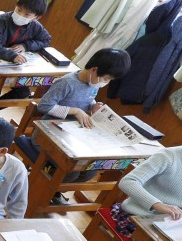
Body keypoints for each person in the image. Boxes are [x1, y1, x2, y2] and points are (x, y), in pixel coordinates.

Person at [35, 48, 132, 204]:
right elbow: (44, 106)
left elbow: (86, 100)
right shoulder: (67, 82)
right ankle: (43, 189)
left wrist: (93, 106)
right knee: (71, 172)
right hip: (47, 133)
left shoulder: (92, 82)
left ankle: (54, 189)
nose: (105, 83)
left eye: (109, 81)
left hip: (73, 134)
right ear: (94, 69)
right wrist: (75, 111)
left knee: (89, 171)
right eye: (105, 78)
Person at [0, 0, 52, 66]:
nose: (20, 15)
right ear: (16, 6)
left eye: (27, 14)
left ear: (36, 17)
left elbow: (46, 40)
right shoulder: (2, 20)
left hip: (13, 65)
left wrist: (25, 46)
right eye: (19, 10)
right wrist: (12, 56)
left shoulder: (35, 26)